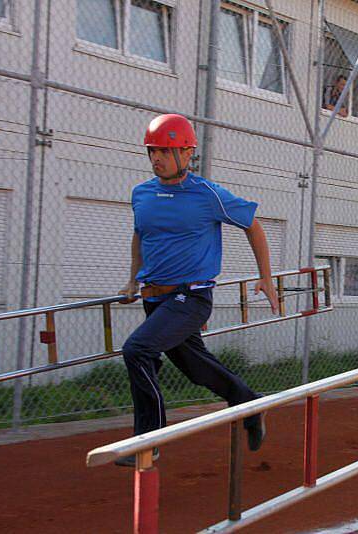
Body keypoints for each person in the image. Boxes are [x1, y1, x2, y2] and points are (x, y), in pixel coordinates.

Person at [116, 114, 279, 467]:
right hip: (155, 298)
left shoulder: (207, 194)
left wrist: (265, 277)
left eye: (165, 150)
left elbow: (253, 225)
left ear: (187, 153)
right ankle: (251, 405)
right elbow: (140, 235)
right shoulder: (141, 194)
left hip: (191, 297)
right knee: (197, 369)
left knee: (137, 350)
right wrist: (132, 279)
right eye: (152, 151)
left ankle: (149, 440)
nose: (157, 158)